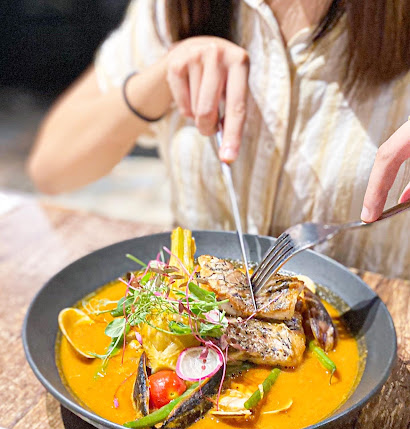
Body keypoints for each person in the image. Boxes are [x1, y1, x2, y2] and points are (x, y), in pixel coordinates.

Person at [28, 0, 410, 278]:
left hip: (379, 330)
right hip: (186, 334)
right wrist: (160, 78)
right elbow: (51, 168)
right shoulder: (174, 9)